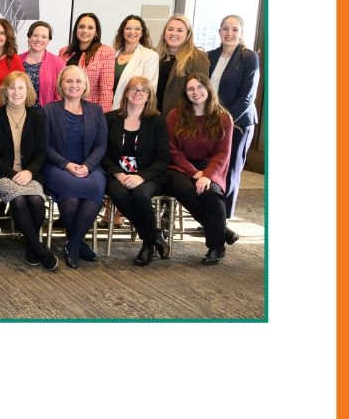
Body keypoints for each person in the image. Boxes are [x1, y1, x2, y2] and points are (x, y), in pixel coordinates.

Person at [0, 71, 57, 269]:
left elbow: (41, 152)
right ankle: (39, 249)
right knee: (18, 200)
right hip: (1, 174)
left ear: (28, 91)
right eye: (12, 88)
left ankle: (32, 248)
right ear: (5, 91)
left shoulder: (38, 118)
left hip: (30, 174)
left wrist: (29, 172)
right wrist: (12, 174)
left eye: (21, 88)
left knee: (36, 200)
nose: (16, 92)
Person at [41, 64, 108, 269]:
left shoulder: (96, 111)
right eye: (69, 81)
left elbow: (101, 144)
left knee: (95, 187)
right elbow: (44, 146)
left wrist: (88, 165)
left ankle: (74, 243)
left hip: (90, 166)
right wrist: (67, 164)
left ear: (85, 85)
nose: (73, 85)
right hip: (58, 166)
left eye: (78, 81)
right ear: (61, 84)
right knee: (70, 195)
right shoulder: (49, 110)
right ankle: (77, 242)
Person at [166, 73, 235, 264]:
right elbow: (172, 150)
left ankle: (215, 247)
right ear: (185, 93)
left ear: (208, 89)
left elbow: (222, 154)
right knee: (184, 188)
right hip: (179, 167)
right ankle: (221, 231)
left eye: (200, 87)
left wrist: (207, 175)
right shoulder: (175, 116)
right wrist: (194, 172)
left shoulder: (223, 118)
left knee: (212, 194)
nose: (195, 92)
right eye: (190, 89)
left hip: (210, 167)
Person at [103, 75, 171, 266]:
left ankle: (147, 245)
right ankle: (153, 236)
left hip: (148, 175)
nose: (138, 93)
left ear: (149, 96)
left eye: (143, 90)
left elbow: (163, 159)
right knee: (119, 193)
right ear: (126, 92)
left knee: (140, 195)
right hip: (117, 174)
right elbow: (103, 153)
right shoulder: (110, 118)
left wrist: (141, 177)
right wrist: (119, 174)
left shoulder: (157, 122)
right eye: (134, 88)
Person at [205, 14, 260, 218]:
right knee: (213, 169)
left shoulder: (249, 57)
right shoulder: (210, 56)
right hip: (211, 122)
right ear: (219, 31)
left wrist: (225, 122)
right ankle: (210, 214)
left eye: (235, 29)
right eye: (225, 29)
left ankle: (224, 218)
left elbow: (247, 98)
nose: (229, 33)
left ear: (241, 33)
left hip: (238, 123)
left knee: (230, 169)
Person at [58, 12, 115, 112]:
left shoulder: (106, 52)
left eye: (90, 28)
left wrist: (103, 115)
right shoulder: (64, 52)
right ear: (76, 29)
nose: (85, 30)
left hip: (90, 111)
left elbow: (106, 90)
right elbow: (59, 83)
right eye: (81, 27)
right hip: (64, 108)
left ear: (96, 32)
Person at [156, 13, 206, 115]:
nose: (174, 33)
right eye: (170, 29)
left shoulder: (198, 57)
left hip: (179, 115)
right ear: (164, 32)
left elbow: (199, 93)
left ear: (188, 34)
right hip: (154, 113)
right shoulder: (156, 55)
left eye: (179, 30)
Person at [110, 14, 160, 109]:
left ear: (142, 33)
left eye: (137, 29)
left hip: (130, 109)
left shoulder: (150, 56)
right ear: (122, 31)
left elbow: (148, 90)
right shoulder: (111, 53)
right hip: (105, 106)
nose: (132, 32)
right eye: (128, 28)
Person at [22, 20, 65, 111]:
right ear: (29, 37)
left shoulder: (58, 62)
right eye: (35, 35)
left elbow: (62, 92)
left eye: (44, 37)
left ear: (49, 40)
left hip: (46, 114)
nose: (39, 39)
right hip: (19, 113)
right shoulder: (17, 60)